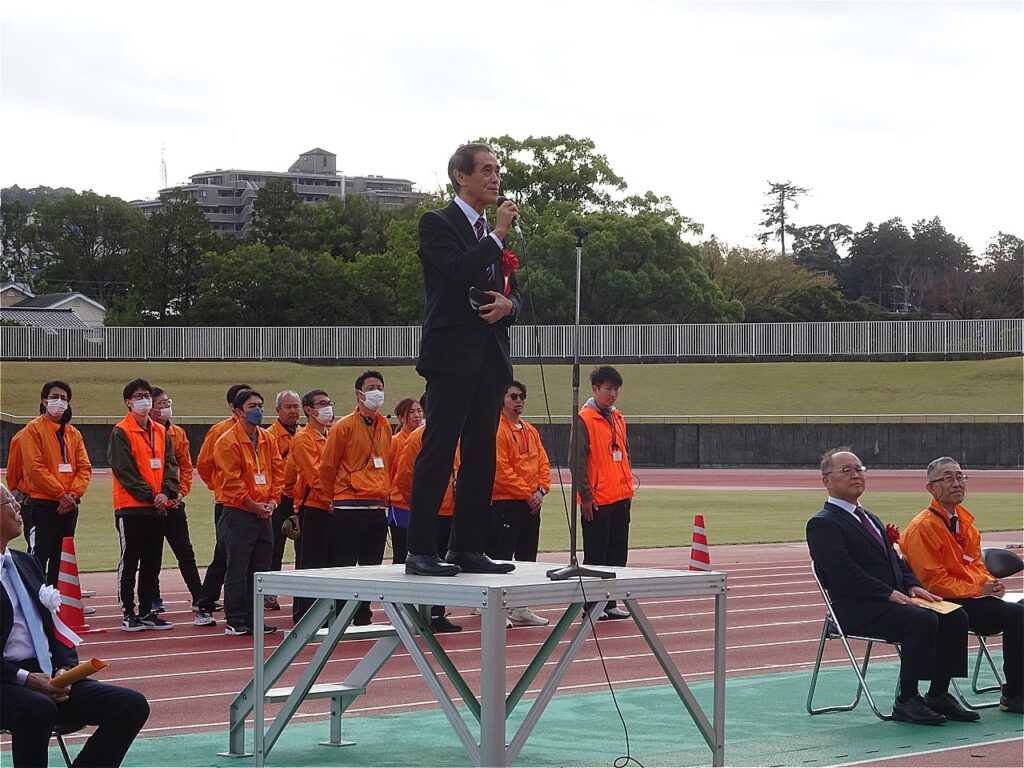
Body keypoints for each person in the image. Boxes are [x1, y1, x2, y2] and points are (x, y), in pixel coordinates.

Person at [406, 142, 522, 577]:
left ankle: (467, 546)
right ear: (460, 175)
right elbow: (459, 270)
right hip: (451, 353)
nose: (495, 177)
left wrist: (511, 308)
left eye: (497, 169)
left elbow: (513, 289)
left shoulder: (494, 236)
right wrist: (496, 236)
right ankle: (421, 549)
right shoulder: (438, 223)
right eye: (487, 169)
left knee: (481, 452)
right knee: (439, 448)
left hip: (491, 355)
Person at [806, 448, 978, 725]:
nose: (855, 475)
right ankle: (907, 698)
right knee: (921, 621)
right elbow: (843, 574)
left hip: (889, 602)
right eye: (846, 471)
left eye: (859, 469)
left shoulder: (870, 517)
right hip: (857, 607)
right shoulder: (823, 524)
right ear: (827, 481)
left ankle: (938, 694)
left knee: (955, 615)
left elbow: (897, 561)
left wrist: (911, 586)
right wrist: (887, 593)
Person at [2, 484, 150, 767]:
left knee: (131, 705)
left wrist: (64, 669)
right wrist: (26, 678)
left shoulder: (25, 563)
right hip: (7, 680)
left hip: (48, 677)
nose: (18, 506)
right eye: (9, 501)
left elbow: (55, 628)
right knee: (38, 709)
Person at [900, 456, 1023, 714]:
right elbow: (932, 580)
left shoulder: (964, 523)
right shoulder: (924, 527)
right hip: (934, 599)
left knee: (1019, 613)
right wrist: (977, 590)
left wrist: (989, 582)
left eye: (960, 477)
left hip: (964, 597)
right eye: (948, 478)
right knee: (960, 616)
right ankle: (938, 693)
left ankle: (1016, 691)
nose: (956, 483)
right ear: (931, 488)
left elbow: (975, 565)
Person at [319, 371, 391, 625]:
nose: (376, 392)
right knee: (345, 564)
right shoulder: (344, 426)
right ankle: (341, 614)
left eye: (379, 387)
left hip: (377, 505)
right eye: (371, 387)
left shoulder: (384, 425)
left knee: (372, 565)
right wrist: (331, 498)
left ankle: (363, 614)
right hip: (348, 505)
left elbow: (387, 464)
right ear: (359, 394)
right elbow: (327, 466)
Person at [109, 379, 179, 632]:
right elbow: (124, 471)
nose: (144, 400)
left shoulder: (160, 431)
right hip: (131, 508)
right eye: (139, 396)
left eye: (147, 395)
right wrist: (152, 495)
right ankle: (128, 611)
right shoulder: (121, 431)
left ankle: (148, 610)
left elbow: (171, 464)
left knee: (152, 562)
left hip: (158, 507)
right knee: (130, 561)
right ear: (128, 402)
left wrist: (167, 493)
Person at [213, 388, 283, 636]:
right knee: (238, 568)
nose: (258, 410)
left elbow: (277, 472)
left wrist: (273, 502)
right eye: (252, 406)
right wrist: (252, 504)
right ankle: (235, 619)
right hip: (239, 513)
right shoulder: (228, 441)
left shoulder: (267, 439)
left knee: (259, 569)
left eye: (260, 405)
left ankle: (254, 618)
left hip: (264, 512)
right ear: (238, 410)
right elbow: (231, 480)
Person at [572, 366, 633, 620]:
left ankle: (609, 603)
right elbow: (576, 460)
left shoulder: (617, 417)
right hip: (597, 500)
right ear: (595, 389)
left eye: (616, 389)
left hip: (620, 496)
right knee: (596, 555)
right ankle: (591, 606)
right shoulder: (584, 419)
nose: (613, 394)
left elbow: (623, 453)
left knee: (618, 554)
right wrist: (585, 495)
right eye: (608, 388)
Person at [489, 381, 551, 627]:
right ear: (502, 400)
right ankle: (496, 610)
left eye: (522, 396)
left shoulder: (530, 430)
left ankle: (521, 607)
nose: (519, 401)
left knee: (527, 558)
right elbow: (501, 470)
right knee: (501, 557)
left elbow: (543, 464)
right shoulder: (498, 430)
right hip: (507, 502)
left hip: (530, 504)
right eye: (513, 396)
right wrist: (528, 493)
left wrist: (541, 491)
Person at [17, 380, 92, 585]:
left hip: (69, 505)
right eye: (55, 397)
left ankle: (58, 602)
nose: (60, 402)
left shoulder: (74, 434)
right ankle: (34, 601)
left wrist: (73, 496)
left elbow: (84, 468)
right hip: (44, 503)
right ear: (44, 401)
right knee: (39, 555)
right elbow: (35, 467)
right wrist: (60, 494)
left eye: (64, 399)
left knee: (63, 558)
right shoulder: (33, 430)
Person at [393, 418, 463, 633]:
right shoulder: (418, 437)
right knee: (423, 563)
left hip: (450, 510)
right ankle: (414, 614)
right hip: (429, 512)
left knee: (442, 564)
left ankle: (436, 613)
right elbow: (404, 477)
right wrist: (420, 504)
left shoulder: (458, 438)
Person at [193, 383, 250, 627]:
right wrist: (219, 488)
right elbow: (204, 464)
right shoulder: (220, 431)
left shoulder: (256, 432)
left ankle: (243, 608)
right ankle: (205, 603)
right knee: (225, 556)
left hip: (252, 504)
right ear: (233, 407)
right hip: (229, 503)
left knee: (247, 558)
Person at [149, 386, 203, 614]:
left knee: (185, 552)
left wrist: (180, 493)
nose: (166, 407)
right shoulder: (145, 433)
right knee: (152, 554)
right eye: (160, 404)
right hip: (151, 505)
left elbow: (186, 467)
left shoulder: (178, 433)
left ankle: (199, 596)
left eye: (167, 402)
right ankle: (153, 597)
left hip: (175, 503)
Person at [286, 389, 334, 622]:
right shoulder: (303, 439)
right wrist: (331, 499)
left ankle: (326, 612)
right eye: (321, 404)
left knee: (330, 563)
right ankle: (304, 614)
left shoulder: (331, 435)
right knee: (310, 564)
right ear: (309, 410)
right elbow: (314, 475)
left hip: (332, 507)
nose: (327, 408)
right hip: (314, 506)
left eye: (328, 403)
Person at [264, 390, 301, 612]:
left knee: (302, 547)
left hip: (300, 497)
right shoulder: (269, 436)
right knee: (274, 547)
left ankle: (302, 591)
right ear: (277, 410)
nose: (293, 411)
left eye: (296, 406)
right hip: (279, 497)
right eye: (288, 407)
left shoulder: (305, 433)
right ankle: (269, 592)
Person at [388, 397, 424, 565]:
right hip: (401, 504)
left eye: (419, 411)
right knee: (402, 552)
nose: (417, 415)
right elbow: (389, 471)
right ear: (401, 418)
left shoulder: (424, 439)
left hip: (419, 502)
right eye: (411, 412)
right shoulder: (395, 441)